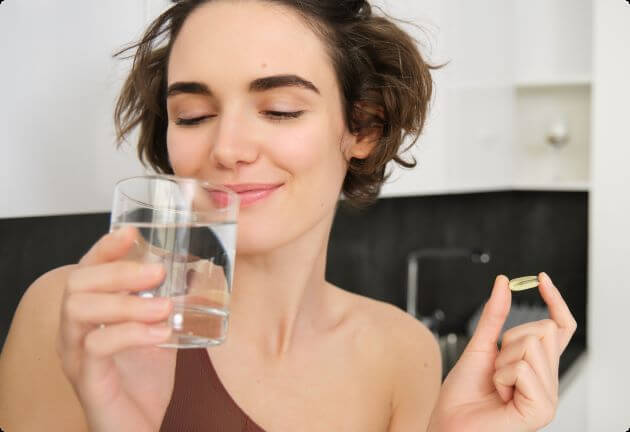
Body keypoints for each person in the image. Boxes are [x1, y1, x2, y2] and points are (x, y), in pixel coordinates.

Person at [0, 1, 577, 431]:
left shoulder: (403, 352)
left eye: (278, 110)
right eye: (194, 115)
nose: (227, 148)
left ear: (363, 128)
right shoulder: (85, 320)